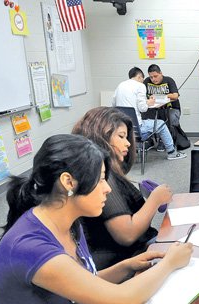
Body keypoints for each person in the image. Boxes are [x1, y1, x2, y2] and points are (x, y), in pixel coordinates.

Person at [0, 134, 192, 304]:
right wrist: (168, 265)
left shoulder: (68, 222)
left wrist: (127, 266)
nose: (107, 188)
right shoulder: (30, 247)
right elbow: (120, 301)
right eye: (99, 179)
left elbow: (86, 280)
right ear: (68, 182)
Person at [72, 106, 173, 268]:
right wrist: (154, 200)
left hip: (135, 251)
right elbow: (127, 234)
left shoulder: (105, 173)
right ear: (102, 136)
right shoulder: (105, 177)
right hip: (131, 257)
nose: (127, 143)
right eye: (121, 136)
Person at [112, 66, 186, 160]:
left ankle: (150, 144)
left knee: (154, 119)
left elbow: (113, 105)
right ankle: (172, 153)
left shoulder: (120, 85)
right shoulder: (140, 85)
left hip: (122, 130)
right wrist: (148, 103)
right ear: (139, 77)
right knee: (161, 124)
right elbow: (142, 108)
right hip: (139, 130)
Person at [143, 64, 182, 136]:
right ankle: (152, 141)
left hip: (170, 108)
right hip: (153, 109)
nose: (153, 79)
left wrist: (160, 96)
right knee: (145, 120)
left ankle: (171, 141)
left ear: (161, 73)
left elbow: (175, 96)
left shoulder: (168, 80)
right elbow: (142, 96)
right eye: (151, 77)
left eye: (155, 76)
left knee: (171, 121)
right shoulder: (147, 81)